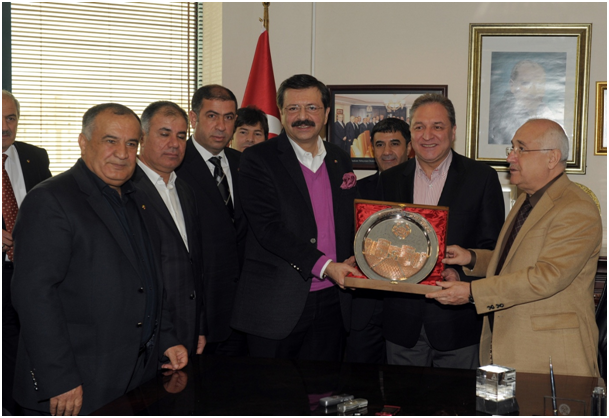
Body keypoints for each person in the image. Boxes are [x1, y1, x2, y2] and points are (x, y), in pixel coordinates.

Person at [11, 103, 187, 416]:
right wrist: (59, 378)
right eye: (110, 141)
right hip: (74, 384)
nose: (122, 153)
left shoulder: (138, 199)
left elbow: (148, 279)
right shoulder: (50, 200)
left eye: (131, 143)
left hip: (135, 376)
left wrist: (166, 339)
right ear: (83, 142)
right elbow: (34, 297)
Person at [429, 119, 601, 377]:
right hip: (511, 347)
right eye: (512, 148)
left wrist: (473, 292)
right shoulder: (526, 200)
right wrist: (470, 258)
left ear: (552, 158)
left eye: (521, 149)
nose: (510, 157)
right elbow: (511, 262)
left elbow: (547, 277)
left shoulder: (576, 208)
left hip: (551, 356)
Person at [231, 74, 359, 362]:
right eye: (293, 108)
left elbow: (351, 218)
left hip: (334, 300)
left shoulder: (340, 158)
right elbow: (268, 229)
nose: (303, 117)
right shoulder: (257, 159)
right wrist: (325, 266)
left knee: (325, 387)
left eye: (312, 108)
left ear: (326, 113)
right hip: (276, 304)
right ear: (281, 113)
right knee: (274, 389)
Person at [379, 93, 504, 369]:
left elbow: (494, 249)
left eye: (437, 126)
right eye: (419, 127)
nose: (427, 135)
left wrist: (459, 274)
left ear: (453, 131)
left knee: (457, 398)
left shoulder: (482, 178)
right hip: (402, 325)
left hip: (458, 323)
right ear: (411, 133)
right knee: (403, 397)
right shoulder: (388, 180)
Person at [176, 84, 248, 356]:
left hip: (245, 313)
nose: (221, 126)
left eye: (228, 117)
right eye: (212, 116)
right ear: (193, 118)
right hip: (199, 316)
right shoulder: (175, 165)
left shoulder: (245, 164)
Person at [133, 101, 206, 357]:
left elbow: (194, 263)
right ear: (142, 137)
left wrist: (199, 325)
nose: (174, 144)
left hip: (187, 326)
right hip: (146, 334)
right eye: (164, 134)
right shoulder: (126, 190)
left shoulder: (184, 189)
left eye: (181, 136)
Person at [2, 90, 52, 415]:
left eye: (11, 118)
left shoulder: (35, 156)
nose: (5, 127)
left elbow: (50, 207)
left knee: (26, 346)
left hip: (30, 272)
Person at [346, 117, 412, 365]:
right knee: (360, 381)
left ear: (409, 147)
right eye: (380, 144)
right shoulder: (357, 191)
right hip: (365, 308)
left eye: (395, 143)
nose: (387, 152)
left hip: (408, 307)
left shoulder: (422, 190)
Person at [489, 60, 555, 145]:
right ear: (512, 86)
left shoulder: (549, 115)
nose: (534, 90)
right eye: (526, 83)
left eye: (540, 84)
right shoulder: (497, 117)